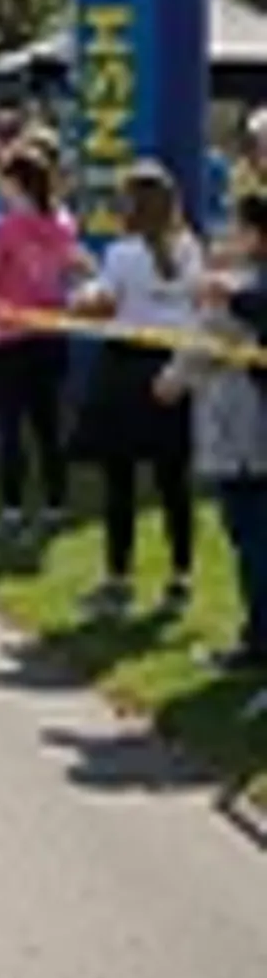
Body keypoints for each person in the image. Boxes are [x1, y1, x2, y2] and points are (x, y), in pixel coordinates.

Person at [70, 162, 202, 615]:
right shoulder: (189, 249)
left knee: (120, 479)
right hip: (172, 362)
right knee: (173, 479)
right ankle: (181, 575)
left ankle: (119, 576)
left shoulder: (123, 254)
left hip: (125, 367)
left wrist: (80, 295)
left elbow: (103, 304)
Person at [174, 192, 267, 675]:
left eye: (238, 228)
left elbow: (211, 339)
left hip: (247, 430)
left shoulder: (244, 293)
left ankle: (259, 639)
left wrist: (174, 379)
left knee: (251, 532)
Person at [0, 145, 91, 531]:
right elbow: (71, 269)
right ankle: (55, 501)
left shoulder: (5, 229)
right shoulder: (62, 224)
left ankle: (11, 505)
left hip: (7, 333)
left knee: (9, 425)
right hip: (49, 329)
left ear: (17, 185)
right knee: (48, 423)